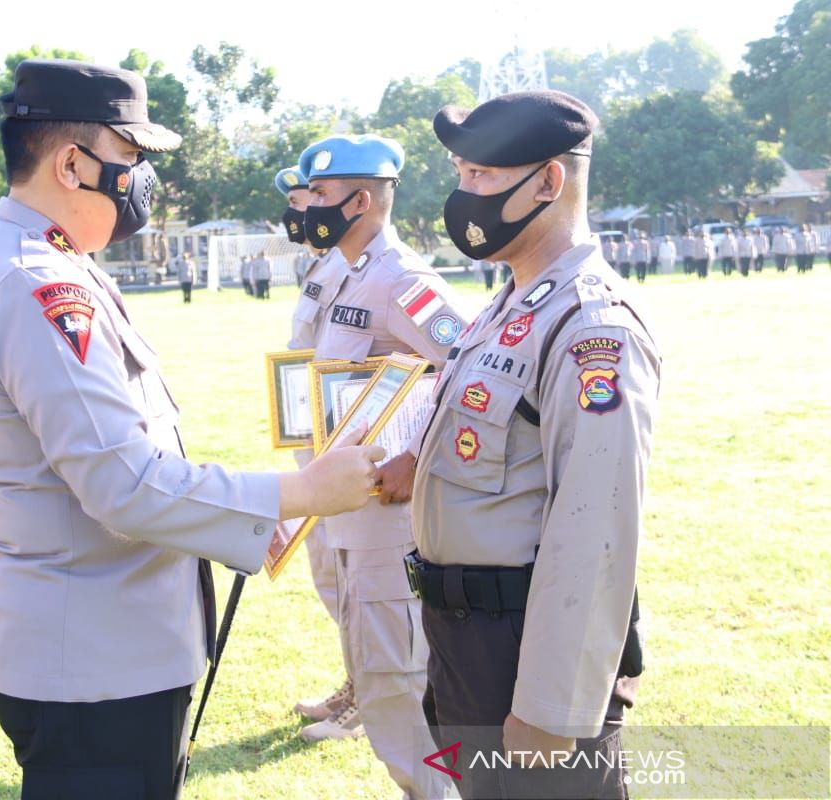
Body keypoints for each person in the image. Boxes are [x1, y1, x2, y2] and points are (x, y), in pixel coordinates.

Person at [0, 59, 385, 800]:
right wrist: (298, 490)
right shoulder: (35, 280)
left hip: (101, 650)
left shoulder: (55, 262)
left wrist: (237, 513)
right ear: (72, 163)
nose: (144, 180)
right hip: (91, 666)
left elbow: (122, 450)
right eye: (132, 159)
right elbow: (121, 486)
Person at [409, 89, 661, 799]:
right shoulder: (514, 302)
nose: (463, 196)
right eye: (461, 175)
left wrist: (554, 708)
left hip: (521, 647)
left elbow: (596, 526)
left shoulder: (591, 325)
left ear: (548, 181)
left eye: (481, 177)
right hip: (466, 640)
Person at [296, 133, 468, 799]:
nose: (307, 204)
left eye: (319, 195)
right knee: (381, 676)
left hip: (390, 518)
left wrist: (417, 454)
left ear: (360, 200)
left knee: (399, 684)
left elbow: (475, 372)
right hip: (347, 505)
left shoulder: (401, 280)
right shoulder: (344, 271)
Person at [274, 164, 357, 730]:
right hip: (315, 455)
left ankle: (371, 698)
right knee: (331, 578)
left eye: (309, 199)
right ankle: (359, 684)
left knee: (362, 588)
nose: (299, 213)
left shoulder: (375, 271)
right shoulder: (325, 267)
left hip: (354, 467)